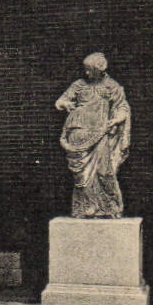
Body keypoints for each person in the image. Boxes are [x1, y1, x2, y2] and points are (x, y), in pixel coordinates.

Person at [55, 52, 131, 218]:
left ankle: (109, 208)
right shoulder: (79, 85)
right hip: (78, 133)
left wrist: (116, 119)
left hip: (100, 134)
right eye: (86, 69)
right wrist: (65, 104)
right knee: (82, 176)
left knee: (104, 172)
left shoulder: (111, 86)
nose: (87, 73)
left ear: (99, 70)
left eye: (90, 70)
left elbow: (122, 107)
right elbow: (60, 101)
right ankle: (85, 209)